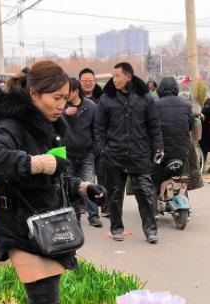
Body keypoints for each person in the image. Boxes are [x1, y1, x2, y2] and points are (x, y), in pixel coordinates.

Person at [0, 61, 106, 304]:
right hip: (21, 229)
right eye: (56, 98)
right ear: (34, 93)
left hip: (46, 226)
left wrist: (82, 187)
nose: (62, 105)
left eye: (65, 97)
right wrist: (32, 163)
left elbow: (54, 175)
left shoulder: (49, 126)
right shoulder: (12, 126)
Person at [94, 62, 163, 243]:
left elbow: (154, 126)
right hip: (114, 154)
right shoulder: (106, 98)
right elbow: (99, 127)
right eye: (113, 75)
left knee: (145, 194)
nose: (114, 79)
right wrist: (102, 149)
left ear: (128, 77)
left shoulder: (145, 97)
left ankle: (150, 230)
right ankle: (116, 228)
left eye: (117, 76)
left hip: (139, 154)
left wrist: (158, 147)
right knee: (114, 195)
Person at [63, 78, 101, 227]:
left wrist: (95, 150)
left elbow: (97, 129)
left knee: (89, 184)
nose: (65, 94)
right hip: (68, 154)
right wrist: (65, 113)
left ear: (76, 92)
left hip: (87, 153)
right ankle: (74, 217)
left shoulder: (90, 106)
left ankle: (93, 216)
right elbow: (53, 123)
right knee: (71, 186)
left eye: (68, 91)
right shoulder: (62, 106)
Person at [152, 77, 193, 195]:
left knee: (154, 180)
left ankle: (152, 210)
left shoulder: (155, 105)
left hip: (161, 151)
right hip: (181, 151)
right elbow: (190, 125)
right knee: (180, 178)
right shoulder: (187, 105)